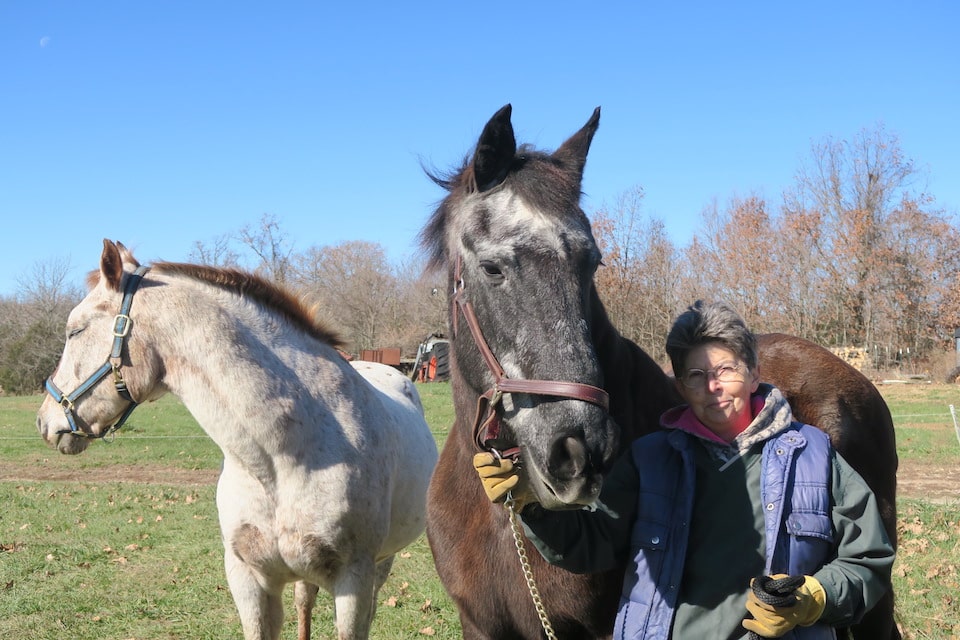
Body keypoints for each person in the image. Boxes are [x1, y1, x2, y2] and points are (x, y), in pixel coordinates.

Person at [474, 300, 895, 639]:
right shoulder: (650, 459)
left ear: (754, 375)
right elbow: (593, 544)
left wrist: (814, 598)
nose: (712, 387)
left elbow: (868, 558)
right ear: (680, 387)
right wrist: (531, 504)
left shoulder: (814, 455)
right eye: (696, 375)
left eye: (726, 370)